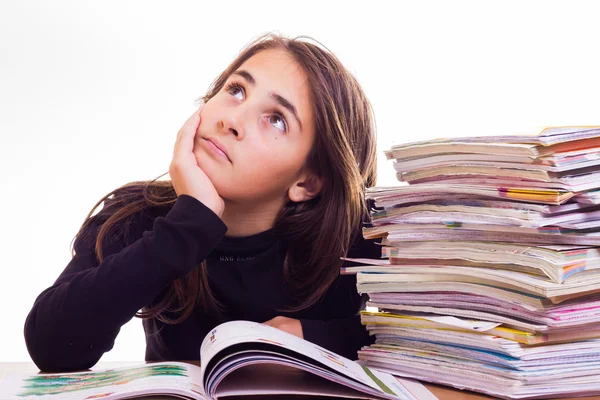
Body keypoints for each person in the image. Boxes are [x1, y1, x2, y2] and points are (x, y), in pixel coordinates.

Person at [24, 32, 381, 372]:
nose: (232, 119)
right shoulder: (138, 216)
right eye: (236, 90)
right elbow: (50, 344)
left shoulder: (359, 239)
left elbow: (425, 343)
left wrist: (308, 338)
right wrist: (188, 227)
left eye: (276, 120)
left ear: (308, 181)